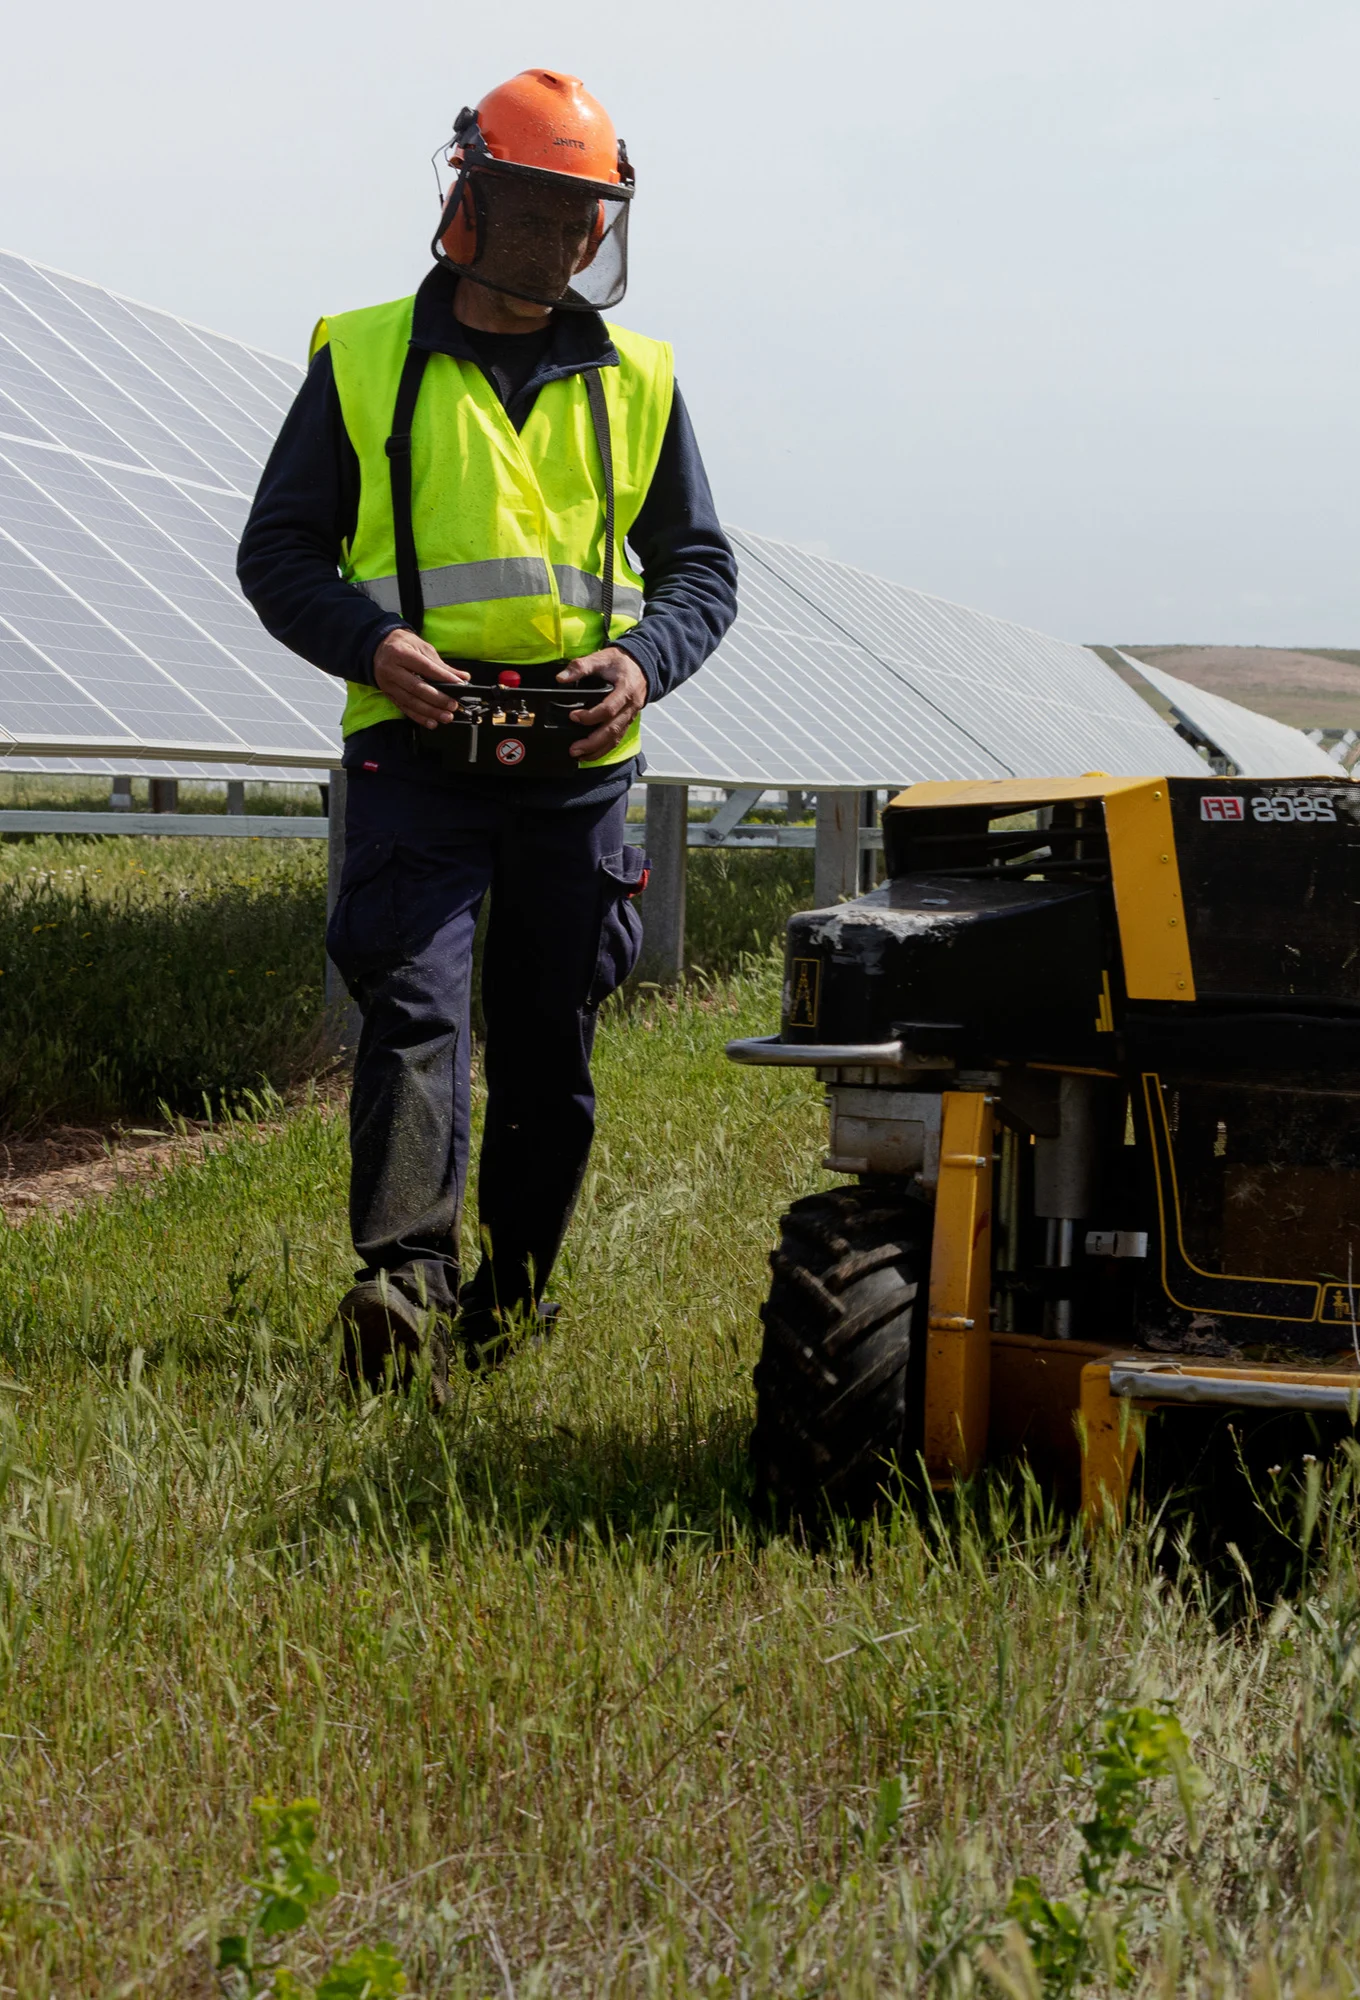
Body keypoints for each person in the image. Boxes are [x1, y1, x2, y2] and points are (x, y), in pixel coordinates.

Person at [239, 70, 737, 1392]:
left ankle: (513, 1297)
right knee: (414, 1016)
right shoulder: (361, 357)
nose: (560, 242)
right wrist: (372, 646)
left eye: (582, 219)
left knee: (546, 1045)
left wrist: (641, 663)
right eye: (535, 212)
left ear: (603, 227)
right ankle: (402, 1283)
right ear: (472, 199)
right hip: (416, 753)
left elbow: (700, 573)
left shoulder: (640, 380)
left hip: (577, 770)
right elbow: (280, 554)